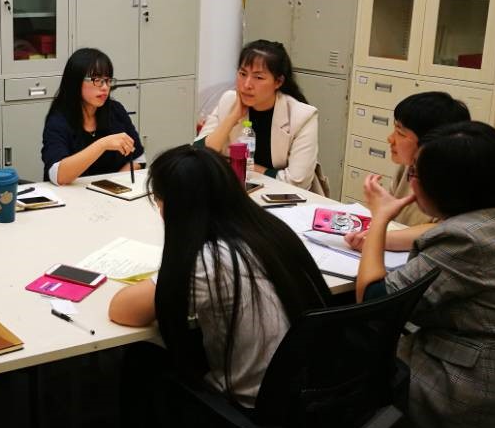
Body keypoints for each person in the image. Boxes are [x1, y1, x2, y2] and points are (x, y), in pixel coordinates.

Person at [109, 145, 331, 406]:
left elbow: (122, 310)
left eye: (159, 201)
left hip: (254, 406)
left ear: (173, 208)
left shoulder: (208, 260)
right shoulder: (269, 229)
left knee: (140, 356)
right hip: (311, 388)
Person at [354, 121, 495, 428]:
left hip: (481, 400)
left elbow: (374, 301)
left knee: (355, 354)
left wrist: (380, 218)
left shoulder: (464, 239)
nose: (411, 180)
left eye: (414, 173)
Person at [343, 91, 469, 252]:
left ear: (431, 142)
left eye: (400, 133)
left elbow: (443, 230)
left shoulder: (455, 178)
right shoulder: (408, 167)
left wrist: (376, 239)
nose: (390, 139)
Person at [197, 39, 325, 193]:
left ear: (278, 82)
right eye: (243, 74)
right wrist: (232, 117)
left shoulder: (302, 116)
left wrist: (249, 168)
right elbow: (198, 156)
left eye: (258, 77)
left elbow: (297, 182)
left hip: (282, 199)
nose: (247, 85)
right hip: (237, 193)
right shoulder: (228, 101)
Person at [41, 47, 143, 185]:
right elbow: (57, 175)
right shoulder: (59, 120)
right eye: (97, 80)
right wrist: (102, 145)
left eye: (108, 80)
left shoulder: (115, 110)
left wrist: (111, 185)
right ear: (76, 82)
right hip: (71, 195)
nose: (105, 87)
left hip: (111, 192)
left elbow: (138, 158)